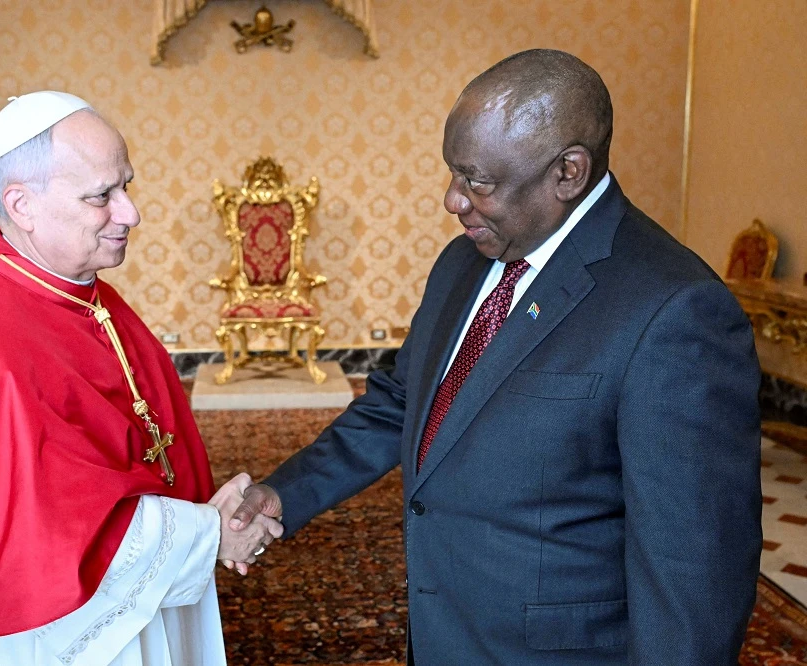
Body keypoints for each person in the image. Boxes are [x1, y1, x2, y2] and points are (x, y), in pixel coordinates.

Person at [230, 50, 763, 664]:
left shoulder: (673, 309)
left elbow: (694, 573)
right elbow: (403, 404)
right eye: (452, 174)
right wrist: (283, 494)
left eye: (476, 181)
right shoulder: (463, 263)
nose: (452, 200)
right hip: (446, 638)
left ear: (568, 172)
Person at [0, 91, 281, 665]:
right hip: (49, 632)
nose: (130, 213)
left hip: (138, 590)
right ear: (22, 205)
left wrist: (208, 518)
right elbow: (47, 530)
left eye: (126, 187)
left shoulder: (87, 296)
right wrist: (208, 532)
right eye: (101, 196)